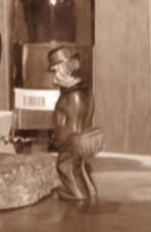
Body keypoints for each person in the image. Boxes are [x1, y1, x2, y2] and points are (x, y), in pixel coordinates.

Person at [48, 46, 103, 200]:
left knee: (65, 166)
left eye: (56, 71)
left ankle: (77, 193)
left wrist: (60, 141)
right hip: (79, 138)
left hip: (72, 140)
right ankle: (88, 190)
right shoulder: (82, 91)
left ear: (66, 68)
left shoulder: (74, 95)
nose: (54, 79)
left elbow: (72, 124)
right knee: (79, 166)